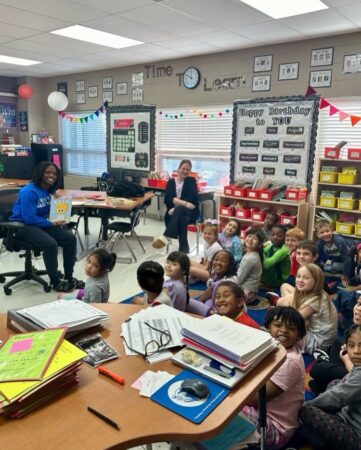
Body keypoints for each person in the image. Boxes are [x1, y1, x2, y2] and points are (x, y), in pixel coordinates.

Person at [10, 161, 82, 292]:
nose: (51, 175)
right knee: (51, 244)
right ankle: (55, 282)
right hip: (22, 226)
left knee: (70, 238)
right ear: (40, 173)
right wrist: (52, 223)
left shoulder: (48, 190)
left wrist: (60, 208)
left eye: (54, 173)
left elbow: (51, 211)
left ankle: (69, 278)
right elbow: (29, 218)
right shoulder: (29, 192)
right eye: (48, 172)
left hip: (40, 224)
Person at [241, 306, 306, 449]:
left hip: (275, 427)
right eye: (277, 325)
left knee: (223, 411)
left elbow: (257, 400)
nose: (283, 330)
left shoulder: (290, 361)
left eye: (291, 328)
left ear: (298, 335)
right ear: (268, 327)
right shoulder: (272, 346)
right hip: (261, 413)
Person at [298, 324, 361, 450]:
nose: (356, 351)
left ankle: (323, 443)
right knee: (335, 382)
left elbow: (337, 397)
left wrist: (307, 404)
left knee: (304, 412)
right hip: (347, 412)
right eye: (351, 345)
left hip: (356, 434)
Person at [277, 263, 337, 354]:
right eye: (298, 276)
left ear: (316, 281)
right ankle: (278, 304)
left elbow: (292, 320)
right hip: (325, 339)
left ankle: (277, 304)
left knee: (284, 325)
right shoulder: (320, 292)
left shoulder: (315, 300)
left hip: (317, 344)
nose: (300, 280)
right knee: (285, 287)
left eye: (306, 278)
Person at [309, 295, 361, 394]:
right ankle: (326, 381)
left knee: (317, 369)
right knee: (337, 343)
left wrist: (346, 361)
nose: (358, 308)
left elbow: (357, 376)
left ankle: (324, 381)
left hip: (356, 375)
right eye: (358, 303)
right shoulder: (355, 328)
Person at [152, 160, 199, 254]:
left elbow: (192, 197)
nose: (185, 171)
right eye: (183, 168)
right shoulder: (170, 182)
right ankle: (184, 249)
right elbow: (168, 199)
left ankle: (167, 236)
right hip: (176, 213)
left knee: (180, 211)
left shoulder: (191, 181)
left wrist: (176, 206)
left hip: (191, 212)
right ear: (178, 169)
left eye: (188, 170)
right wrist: (184, 204)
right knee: (183, 219)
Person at [163, 251, 210, 316]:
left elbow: (174, 310)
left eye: (174, 264)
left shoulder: (177, 287)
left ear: (183, 271)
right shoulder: (172, 281)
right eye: (168, 262)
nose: (168, 266)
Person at [315, 219, 352, 287]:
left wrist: (345, 276)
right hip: (335, 260)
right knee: (324, 266)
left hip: (348, 260)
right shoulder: (319, 244)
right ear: (317, 235)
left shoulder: (339, 241)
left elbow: (347, 259)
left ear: (331, 230)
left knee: (332, 267)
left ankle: (340, 276)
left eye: (327, 231)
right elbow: (317, 259)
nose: (325, 234)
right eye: (322, 232)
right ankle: (335, 276)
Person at [236, 227, 264, 304]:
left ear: (259, 244)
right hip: (251, 293)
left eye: (254, 239)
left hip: (246, 295)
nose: (250, 239)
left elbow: (239, 280)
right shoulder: (252, 254)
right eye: (249, 236)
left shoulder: (250, 258)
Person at [261, 224, 290, 290]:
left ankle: (270, 285)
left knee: (262, 261)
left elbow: (266, 265)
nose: (275, 237)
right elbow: (262, 252)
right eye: (272, 234)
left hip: (279, 281)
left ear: (285, 237)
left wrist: (259, 248)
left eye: (279, 236)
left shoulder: (284, 250)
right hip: (271, 277)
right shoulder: (271, 245)